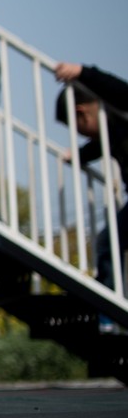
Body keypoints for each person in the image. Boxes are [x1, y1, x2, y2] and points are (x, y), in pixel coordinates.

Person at [54, 62, 128, 327]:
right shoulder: (114, 132)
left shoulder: (121, 113)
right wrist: (80, 156)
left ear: (82, 113)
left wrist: (84, 73)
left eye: (78, 128)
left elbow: (119, 89)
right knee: (108, 242)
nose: (81, 135)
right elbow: (99, 146)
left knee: (109, 242)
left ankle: (109, 314)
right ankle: (108, 313)